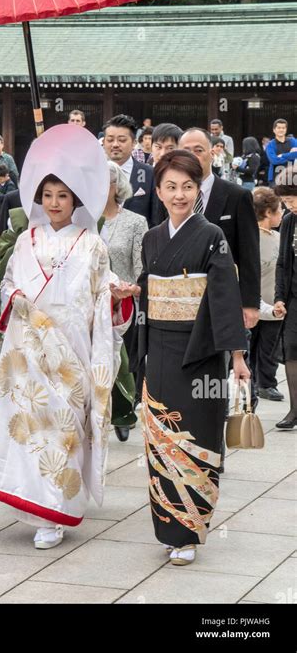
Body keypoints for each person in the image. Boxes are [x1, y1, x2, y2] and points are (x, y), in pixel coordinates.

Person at [0, 124, 136, 548]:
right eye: (47, 196)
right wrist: (19, 302)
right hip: (32, 347)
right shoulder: (26, 241)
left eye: (62, 196)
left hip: (73, 349)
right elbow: (8, 285)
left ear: (75, 200)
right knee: (35, 426)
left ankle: (59, 510)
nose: (53, 204)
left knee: (65, 428)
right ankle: (38, 504)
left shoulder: (92, 246)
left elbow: (104, 299)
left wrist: (118, 299)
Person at [137, 150, 249, 566]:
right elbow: (149, 293)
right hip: (161, 354)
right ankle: (169, 528)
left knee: (197, 439)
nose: (179, 194)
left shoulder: (212, 236)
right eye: (171, 186)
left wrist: (237, 356)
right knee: (160, 442)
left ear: (198, 189)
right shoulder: (152, 238)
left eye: (188, 186)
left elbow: (224, 298)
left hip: (201, 354)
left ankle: (190, 531)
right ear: (159, 190)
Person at [179, 128, 261, 328]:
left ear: (212, 153)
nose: (192, 156)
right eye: (186, 151)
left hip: (223, 297)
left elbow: (249, 254)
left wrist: (250, 303)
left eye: (198, 150)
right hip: (180, 298)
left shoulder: (236, 196)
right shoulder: (170, 196)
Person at [101, 161, 148, 441]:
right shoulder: (83, 219)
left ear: (117, 186)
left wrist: (132, 288)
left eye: (106, 181)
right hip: (92, 301)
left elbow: (141, 266)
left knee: (122, 360)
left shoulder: (134, 222)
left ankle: (122, 407)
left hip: (124, 305)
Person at [250, 188, 285, 401]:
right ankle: (252, 382)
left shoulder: (279, 237)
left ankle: (267, 383)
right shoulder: (250, 238)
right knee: (251, 345)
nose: (282, 213)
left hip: (274, 303)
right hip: (252, 303)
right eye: (279, 209)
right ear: (268, 213)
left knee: (270, 346)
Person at [273, 165, 297, 429]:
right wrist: (280, 297)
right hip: (294, 296)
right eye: (285, 202)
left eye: (291, 200)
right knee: (291, 349)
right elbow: (282, 261)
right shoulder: (290, 221)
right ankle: (294, 409)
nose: (289, 206)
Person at [103, 114, 155, 227]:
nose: (115, 144)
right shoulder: (93, 175)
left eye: (122, 140)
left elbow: (155, 219)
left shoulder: (150, 174)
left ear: (134, 143)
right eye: (110, 140)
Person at [266, 119, 297, 185]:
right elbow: (274, 160)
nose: (281, 130)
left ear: (286, 129)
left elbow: (296, 154)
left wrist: (282, 155)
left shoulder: (293, 141)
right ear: (274, 130)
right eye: (279, 128)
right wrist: (290, 155)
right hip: (275, 177)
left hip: (292, 176)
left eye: (283, 128)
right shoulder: (270, 144)